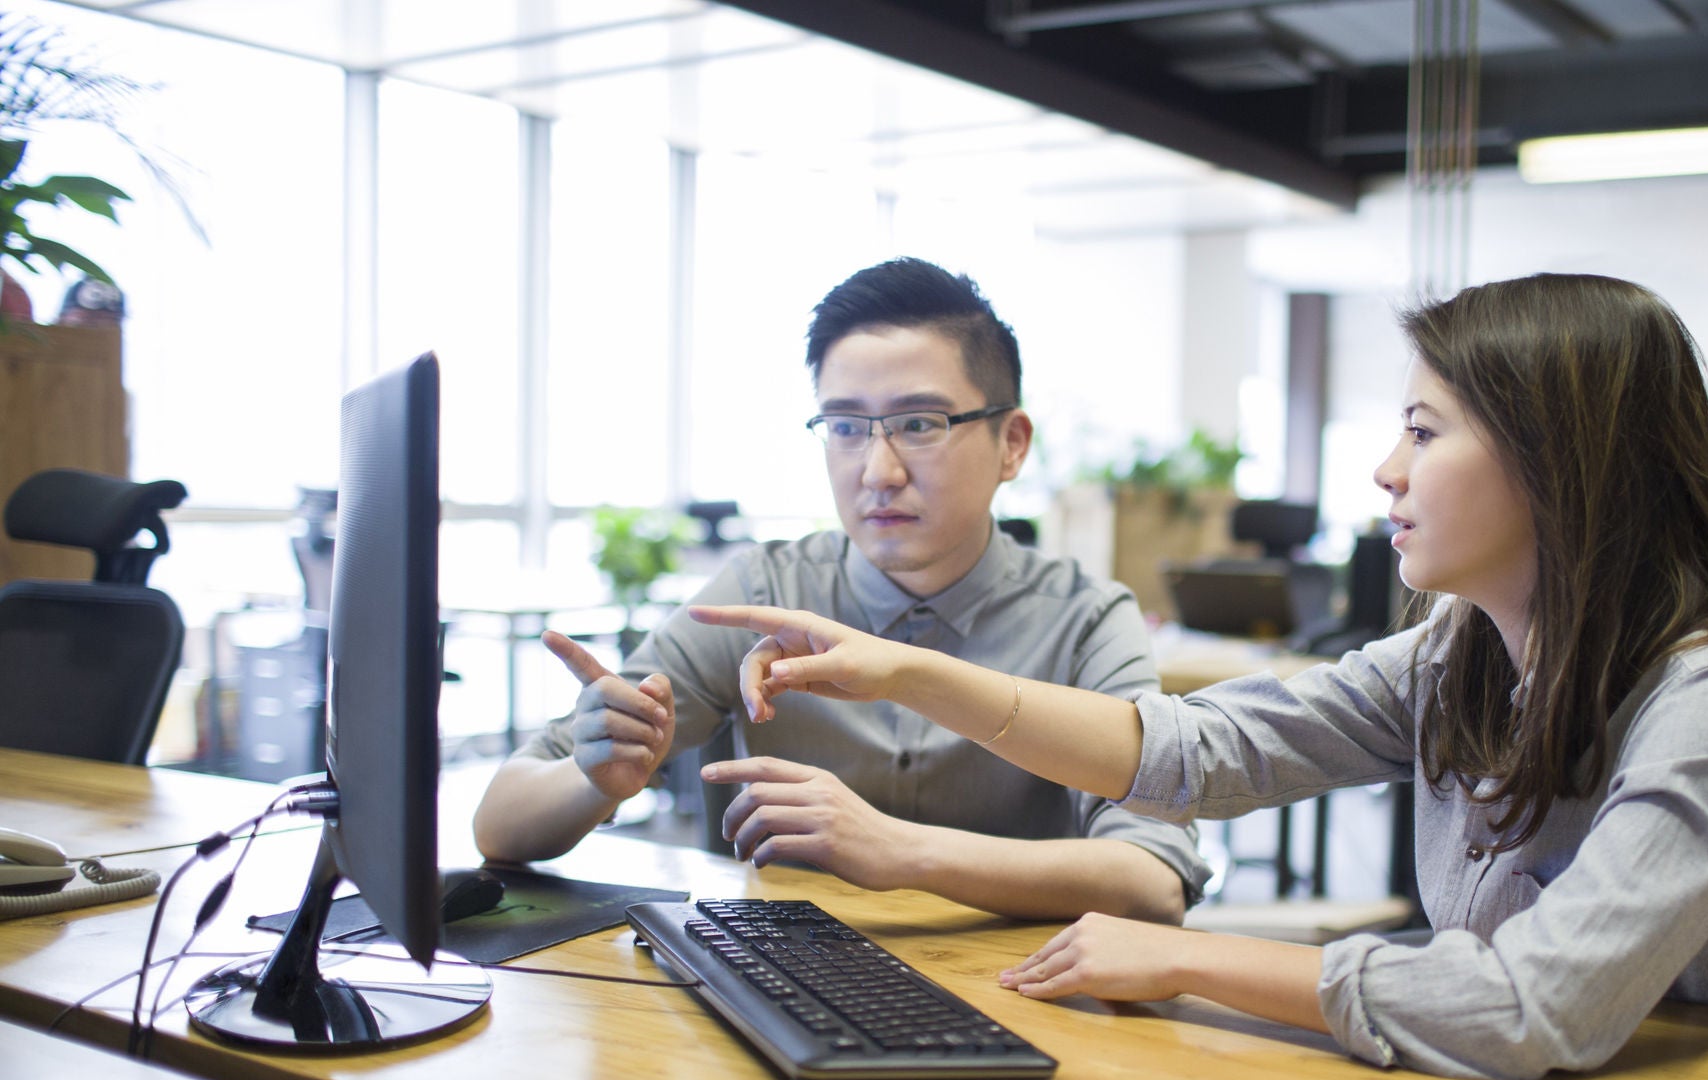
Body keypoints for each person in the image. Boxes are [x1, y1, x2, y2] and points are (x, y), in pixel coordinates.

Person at [689, 273, 1708, 1080]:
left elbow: (1530, 1006)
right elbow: (1191, 753)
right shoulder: (1454, 659)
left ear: (1554, 464)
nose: (1385, 472)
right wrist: (911, 673)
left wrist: (1194, 958)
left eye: (1424, 433)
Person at [473, 258, 1206, 923]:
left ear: (1012, 443)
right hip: (773, 993)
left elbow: (1151, 878)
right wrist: (594, 778)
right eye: (847, 426)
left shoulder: (1085, 620)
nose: (877, 469)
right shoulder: (763, 590)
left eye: (920, 424)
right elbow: (499, 823)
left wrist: (902, 850)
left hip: (1020, 1000)